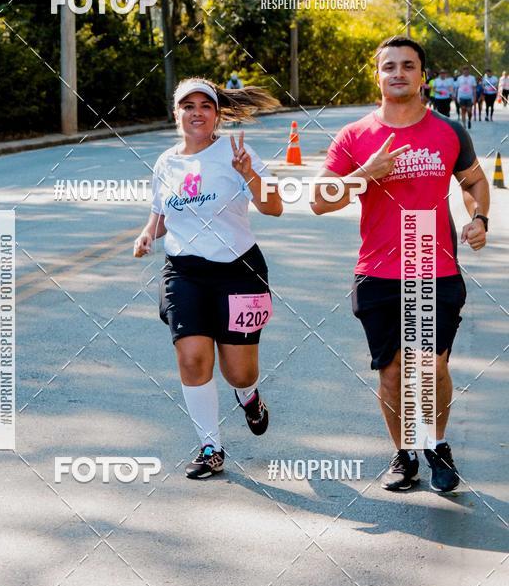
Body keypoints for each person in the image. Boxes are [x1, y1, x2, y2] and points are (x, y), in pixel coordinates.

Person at [311, 35, 489, 494]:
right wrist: (362, 175)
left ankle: (436, 445)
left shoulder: (449, 132)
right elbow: (318, 201)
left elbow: (473, 181)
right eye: (389, 66)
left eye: (408, 65)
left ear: (422, 76)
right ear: (378, 75)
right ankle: (404, 452)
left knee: (430, 366)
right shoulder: (355, 136)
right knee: (392, 371)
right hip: (378, 273)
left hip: (437, 269)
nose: (398, 73)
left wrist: (479, 217)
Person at [133, 78, 282, 479]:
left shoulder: (237, 153)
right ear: (176, 112)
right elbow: (162, 214)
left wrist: (248, 173)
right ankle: (211, 447)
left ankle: (248, 396)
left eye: (205, 105)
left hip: (239, 270)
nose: (196, 112)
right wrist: (149, 233)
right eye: (188, 105)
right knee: (193, 357)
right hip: (184, 271)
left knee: (238, 372)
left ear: (216, 114)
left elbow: (274, 207)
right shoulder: (166, 163)